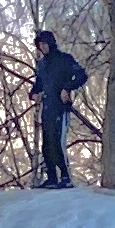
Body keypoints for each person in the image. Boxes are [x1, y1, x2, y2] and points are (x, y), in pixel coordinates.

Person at [31, 30, 89, 189]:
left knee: (58, 141)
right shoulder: (42, 65)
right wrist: (34, 94)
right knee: (47, 143)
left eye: (44, 43)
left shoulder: (64, 59)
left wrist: (67, 88)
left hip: (61, 108)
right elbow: (37, 85)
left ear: (51, 43)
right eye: (39, 44)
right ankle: (51, 177)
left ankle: (65, 177)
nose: (42, 47)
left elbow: (81, 75)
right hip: (47, 108)